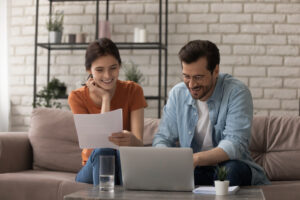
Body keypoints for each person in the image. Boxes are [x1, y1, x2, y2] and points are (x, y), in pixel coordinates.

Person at [152, 40, 269, 186]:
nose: (191, 84)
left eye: (198, 77)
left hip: (229, 166)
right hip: (193, 168)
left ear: (216, 71)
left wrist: (194, 159)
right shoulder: (178, 94)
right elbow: (162, 138)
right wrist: (168, 159)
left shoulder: (236, 92)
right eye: (187, 76)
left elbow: (235, 144)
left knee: (230, 171)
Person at [68, 38, 147, 186]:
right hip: (92, 166)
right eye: (99, 70)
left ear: (119, 66)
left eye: (113, 68)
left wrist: (132, 140)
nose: (107, 76)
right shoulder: (77, 97)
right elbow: (101, 143)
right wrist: (106, 98)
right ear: (89, 70)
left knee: (121, 156)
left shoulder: (133, 91)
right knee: (104, 151)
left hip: (124, 162)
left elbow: (139, 145)